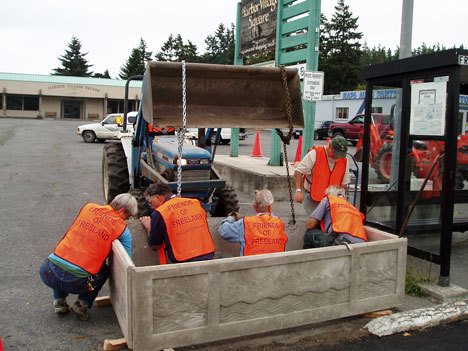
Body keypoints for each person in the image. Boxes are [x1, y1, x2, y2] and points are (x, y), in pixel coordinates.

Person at [39, 193, 137, 321]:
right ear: (122, 210)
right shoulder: (122, 229)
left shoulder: (88, 207)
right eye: (127, 216)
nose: (126, 220)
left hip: (48, 272)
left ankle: (59, 301)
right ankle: (82, 304)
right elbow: (126, 260)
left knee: (63, 262)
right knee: (104, 271)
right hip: (77, 282)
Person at [140, 182, 215, 264]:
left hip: (184, 261)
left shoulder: (160, 213)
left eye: (151, 203)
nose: (152, 207)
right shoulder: (195, 203)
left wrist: (148, 226)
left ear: (157, 198)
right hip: (208, 255)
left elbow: (154, 245)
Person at [218, 189, 288, 256]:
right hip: (276, 266)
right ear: (270, 205)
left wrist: (232, 217)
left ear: (254, 205)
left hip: (251, 267)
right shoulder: (279, 222)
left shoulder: (246, 223)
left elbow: (223, 231)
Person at [293, 135, 350, 214]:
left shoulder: (345, 160)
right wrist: (298, 191)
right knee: (316, 222)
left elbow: (344, 183)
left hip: (333, 200)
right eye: (335, 153)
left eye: (340, 155)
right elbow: (298, 172)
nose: (337, 156)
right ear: (329, 146)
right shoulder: (315, 153)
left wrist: (341, 197)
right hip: (313, 197)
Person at [303, 186, 367, 249]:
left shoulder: (329, 199)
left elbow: (310, 225)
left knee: (309, 234)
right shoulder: (353, 208)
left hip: (341, 242)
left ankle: (308, 258)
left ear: (329, 194)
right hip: (361, 244)